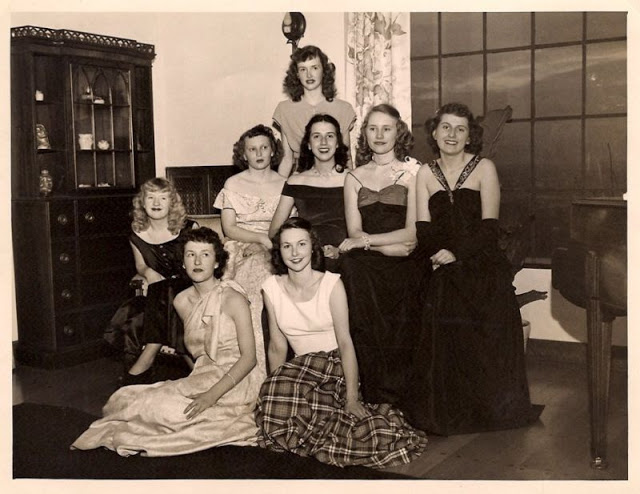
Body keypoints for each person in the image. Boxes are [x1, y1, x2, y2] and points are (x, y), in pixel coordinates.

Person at [411, 102, 543, 435]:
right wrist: (439, 253)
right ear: (434, 133)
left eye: (460, 129)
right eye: (445, 127)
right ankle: (451, 407)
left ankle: (489, 407)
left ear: (470, 136)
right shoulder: (424, 173)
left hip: (481, 262)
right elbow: (422, 227)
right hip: (440, 261)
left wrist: (455, 253)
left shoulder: (485, 168)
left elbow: (488, 228)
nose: (452, 135)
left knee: (484, 301)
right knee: (439, 294)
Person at [72, 227, 262, 456]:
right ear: (183, 261)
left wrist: (211, 396)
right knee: (123, 399)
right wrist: (190, 385)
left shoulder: (233, 298)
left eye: (205, 254)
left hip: (236, 382)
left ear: (216, 262)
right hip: (203, 376)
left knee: (161, 409)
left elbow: (249, 359)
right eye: (190, 254)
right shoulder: (181, 301)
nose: (197, 261)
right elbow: (196, 353)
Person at [256, 218, 427, 468]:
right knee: (277, 406)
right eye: (287, 246)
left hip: (334, 369)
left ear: (312, 247)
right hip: (299, 373)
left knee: (352, 434)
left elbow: (346, 344)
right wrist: (275, 387)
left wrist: (352, 397)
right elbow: (277, 347)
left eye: (301, 244)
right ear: (279, 252)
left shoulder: (331, 284)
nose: (295, 253)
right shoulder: (271, 287)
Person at [337, 104, 427, 420]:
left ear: (398, 132)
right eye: (372, 129)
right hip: (373, 256)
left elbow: (412, 234)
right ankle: (373, 392)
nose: (379, 135)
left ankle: (398, 394)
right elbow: (354, 231)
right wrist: (380, 248)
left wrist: (369, 243)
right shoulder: (353, 177)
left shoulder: (413, 173)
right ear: (364, 134)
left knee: (408, 283)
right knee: (352, 269)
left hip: (405, 257)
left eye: (386, 128)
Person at [107, 177, 198, 386]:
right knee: (135, 314)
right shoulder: (136, 234)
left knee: (167, 290)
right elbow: (140, 266)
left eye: (163, 198)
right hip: (157, 292)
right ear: (142, 202)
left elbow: (200, 264)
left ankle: (145, 360)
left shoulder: (188, 228)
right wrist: (149, 272)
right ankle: (195, 371)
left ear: (172, 202)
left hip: (188, 286)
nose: (156, 203)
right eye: (151, 197)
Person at [213, 124, 286, 379]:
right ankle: (246, 367)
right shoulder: (233, 183)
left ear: (272, 150)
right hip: (241, 246)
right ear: (243, 154)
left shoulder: (284, 183)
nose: (259, 153)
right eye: (252, 149)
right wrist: (258, 239)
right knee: (250, 284)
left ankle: (272, 369)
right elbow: (229, 228)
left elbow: (289, 225)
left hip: (275, 246)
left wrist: (269, 243)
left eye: (264, 147)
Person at [269, 114, 349, 270]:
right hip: (307, 256)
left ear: (338, 143)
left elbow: (361, 228)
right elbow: (274, 231)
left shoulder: (352, 179)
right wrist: (305, 249)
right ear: (309, 144)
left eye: (330, 136)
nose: (323, 142)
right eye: (317, 136)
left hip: (346, 254)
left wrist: (339, 250)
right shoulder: (295, 181)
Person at [273, 45, 356, 177]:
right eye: (303, 69)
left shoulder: (343, 108)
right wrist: (278, 187)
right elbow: (287, 159)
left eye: (314, 68)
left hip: (334, 177)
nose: (309, 74)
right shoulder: (285, 109)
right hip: (301, 177)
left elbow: (346, 157)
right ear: (296, 74)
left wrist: (351, 184)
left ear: (324, 71)